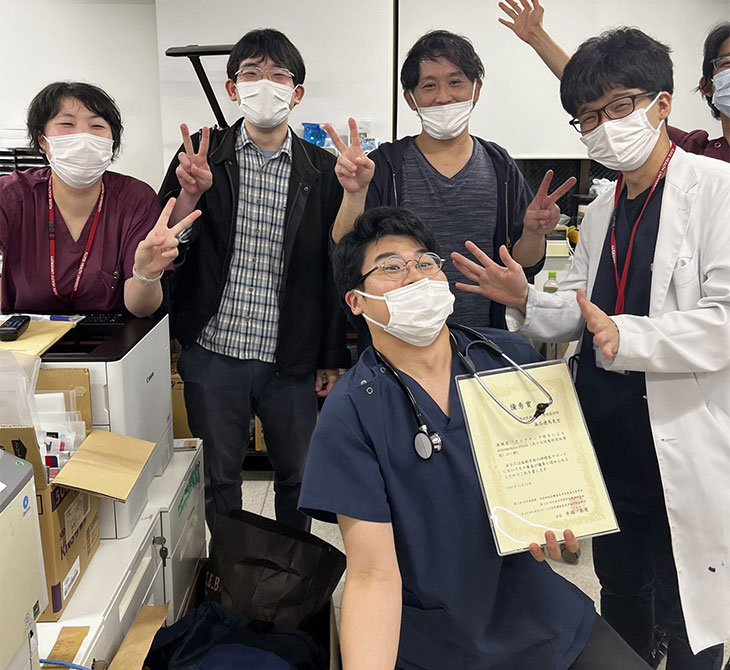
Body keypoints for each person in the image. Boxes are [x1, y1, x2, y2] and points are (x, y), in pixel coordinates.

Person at [451, 27, 730, 668]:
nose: (603, 127)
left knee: (687, 606)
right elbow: (577, 310)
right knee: (622, 591)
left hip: (680, 436)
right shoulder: (603, 209)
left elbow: (722, 323)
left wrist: (627, 335)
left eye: (617, 107)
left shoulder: (715, 191)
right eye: (587, 118)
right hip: (607, 435)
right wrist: (524, 297)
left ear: (662, 104)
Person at [298, 206, 651, 670]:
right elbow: (372, 575)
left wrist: (562, 519)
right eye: (391, 267)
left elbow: (554, 481)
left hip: (537, 611)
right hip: (437, 637)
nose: (416, 276)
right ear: (356, 301)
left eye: (425, 262)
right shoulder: (351, 412)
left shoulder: (508, 359)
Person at [159, 29, 350, 533]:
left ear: (297, 92)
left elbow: (334, 269)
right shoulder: (201, 157)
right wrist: (189, 195)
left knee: (299, 477)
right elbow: (164, 246)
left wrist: (330, 355)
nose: (264, 84)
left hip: (291, 357)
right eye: (251, 74)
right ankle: (231, 572)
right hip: (213, 350)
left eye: (278, 76)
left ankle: (291, 573)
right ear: (232, 88)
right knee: (218, 479)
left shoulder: (323, 171)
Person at [325, 30, 576, 329]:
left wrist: (534, 233)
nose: (443, 97)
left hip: (484, 339)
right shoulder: (385, 164)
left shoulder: (500, 165)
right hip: (399, 338)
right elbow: (346, 253)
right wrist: (354, 194)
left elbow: (524, 264)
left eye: (455, 82)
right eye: (429, 86)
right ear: (410, 98)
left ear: (476, 89)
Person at [0, 82, 198, 315]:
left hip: (112, 334)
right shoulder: (11, 196)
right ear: (42, 140)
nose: (83, 135)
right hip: (26, 333)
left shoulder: (136, 199)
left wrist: (146, 275)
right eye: (67, 124)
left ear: (112, 141)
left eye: (96, 125)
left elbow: (141, 309)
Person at [498, 0, 730, 161]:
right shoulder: (694, 152)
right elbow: (602, 93)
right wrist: (537, 37)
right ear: (707, 86)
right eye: (728, 63)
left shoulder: (711, 178)